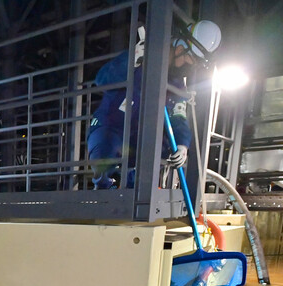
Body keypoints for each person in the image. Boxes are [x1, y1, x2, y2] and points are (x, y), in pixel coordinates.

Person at [88, 20, 222, 189]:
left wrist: (182, 144)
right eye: (190, 59)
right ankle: (104, 190)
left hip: (137, 135)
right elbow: (102, 80)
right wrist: (132, 60)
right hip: (110, 126)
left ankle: (132, 188)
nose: (190, 65)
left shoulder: (176, 83)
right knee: (105, 150)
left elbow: (178, 116)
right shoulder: (140, 57)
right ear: (180, 48)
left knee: (163, 146)